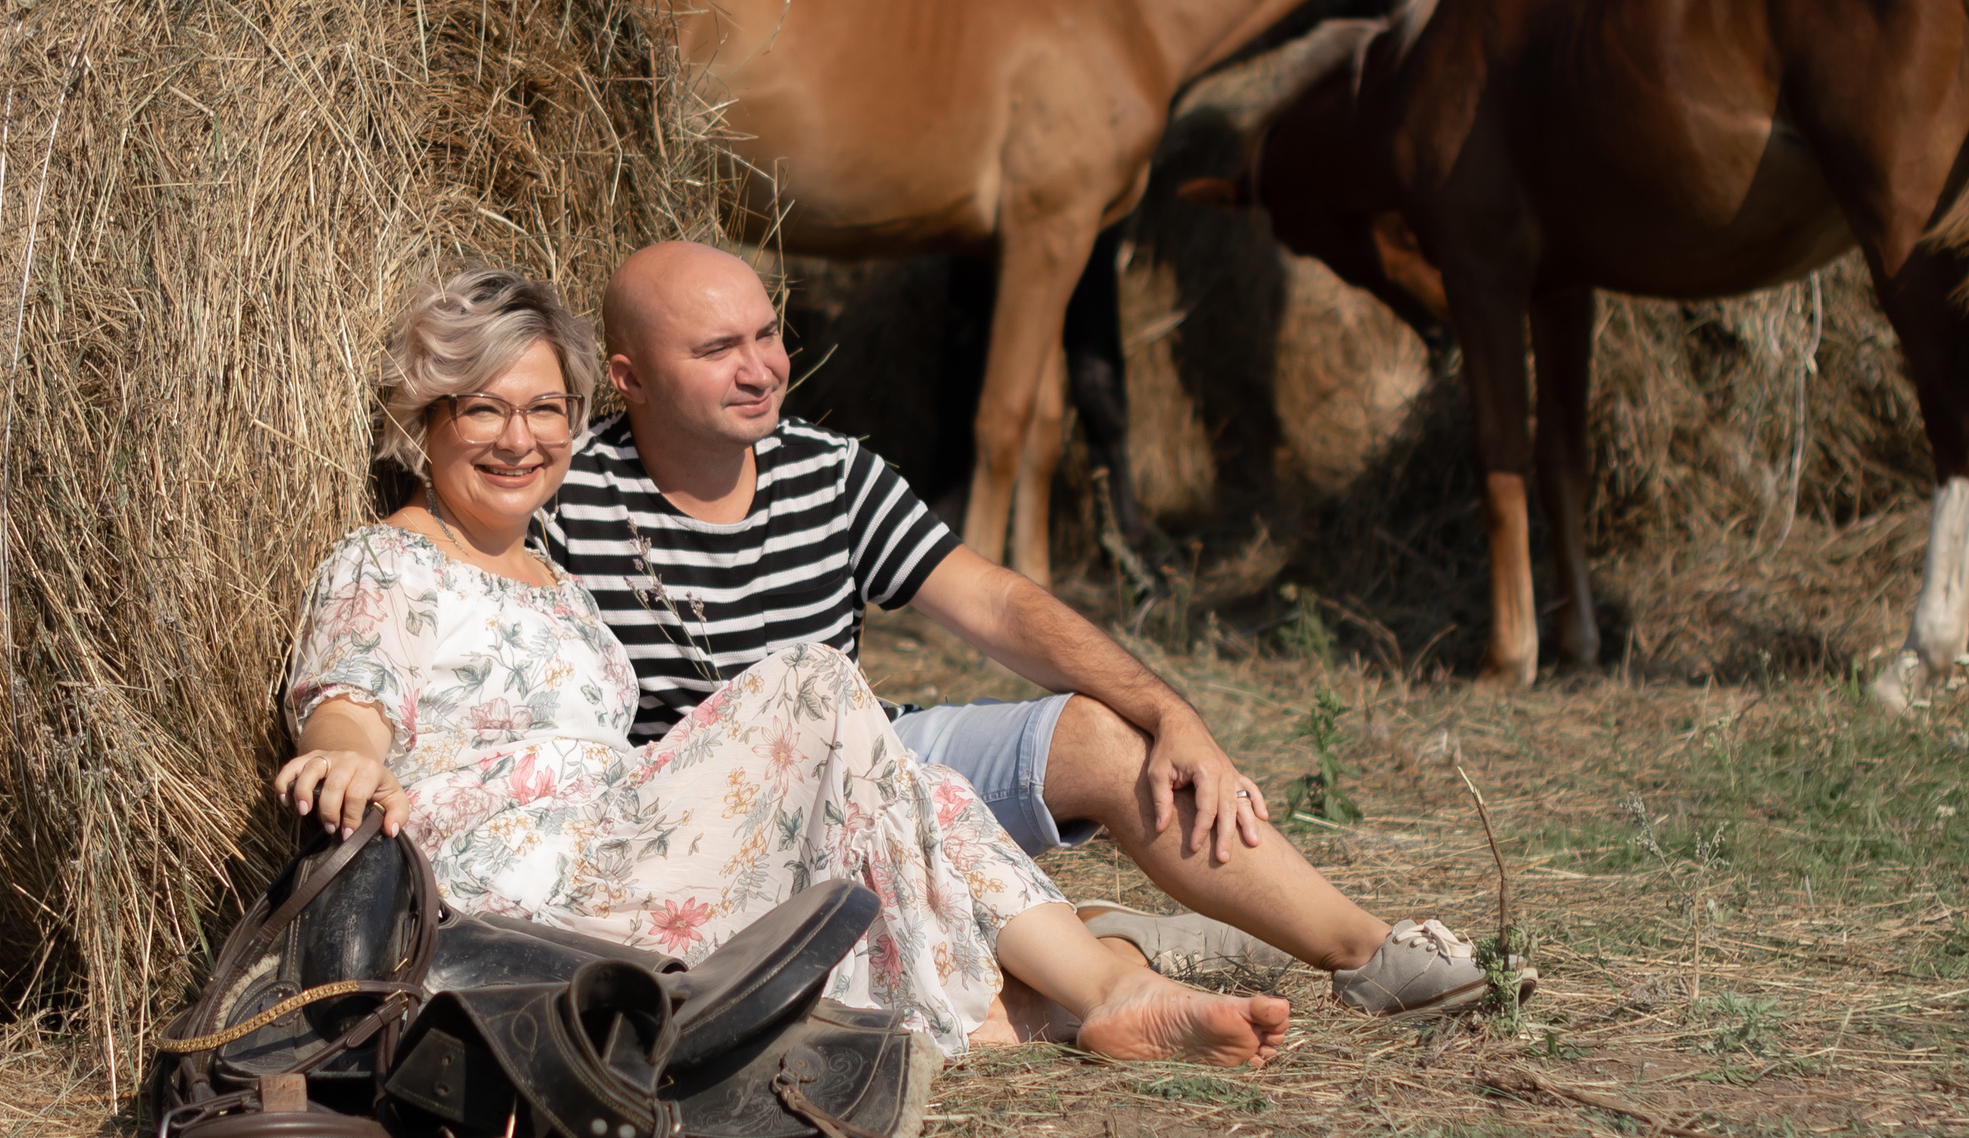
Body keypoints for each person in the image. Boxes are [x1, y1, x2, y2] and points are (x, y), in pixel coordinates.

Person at [272, 265, 1291, 1065]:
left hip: (624, 850)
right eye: (481, 410)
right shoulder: (388, 559)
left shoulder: (558, 578)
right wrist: (346, 754)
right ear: (425, 423)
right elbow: (348, 696)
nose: (519, 439)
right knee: (813, 681)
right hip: (510, 884)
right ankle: (1064, 993)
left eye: (545, 411)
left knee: (912, 784)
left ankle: (1108, 999)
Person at [540, 240, 1514, 1021]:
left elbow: (997, 604)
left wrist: (1172, 714)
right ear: (627, 376)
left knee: (1100, 736)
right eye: (718, 351)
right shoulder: (560, 498)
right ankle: (1106, 946)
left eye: (767, 334)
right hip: (693, 823)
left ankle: (1367, 953)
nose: (761, 370)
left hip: (863, 764)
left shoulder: (830, 473)